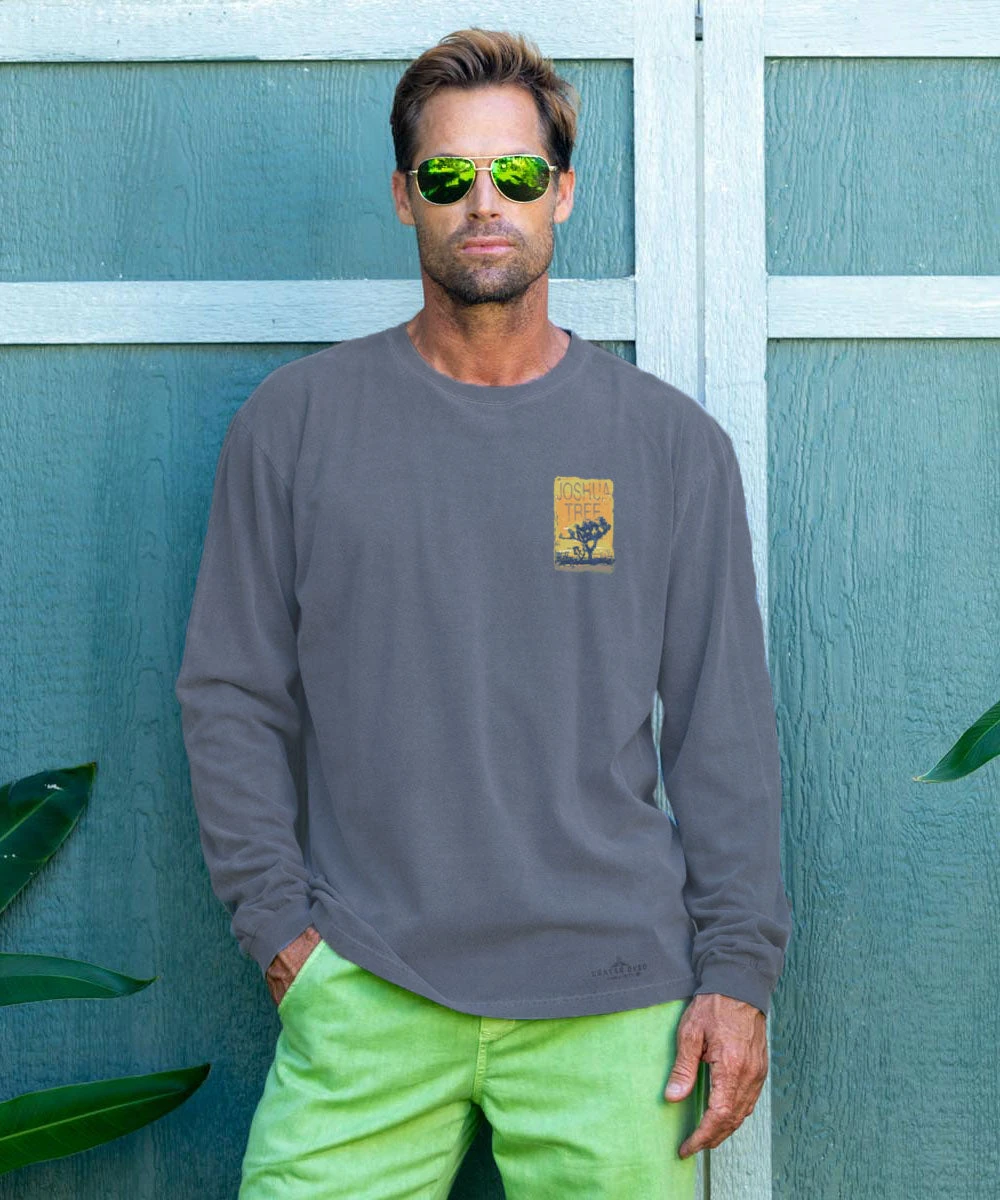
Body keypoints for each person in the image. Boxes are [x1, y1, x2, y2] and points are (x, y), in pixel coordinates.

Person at [175, 26, 792, 1200]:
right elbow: (232, 693)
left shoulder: (668, 446)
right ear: (403, 194)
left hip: (615, 1004)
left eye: (514, 172)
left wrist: (736, 972)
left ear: (561, 190)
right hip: (364, 988)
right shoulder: (294, 426)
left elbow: (722, 731)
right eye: (449, 174)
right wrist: (279, 930)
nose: (483, 202)